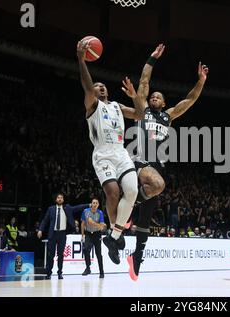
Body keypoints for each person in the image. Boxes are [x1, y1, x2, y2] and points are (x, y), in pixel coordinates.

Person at [121, 44, 209, 281]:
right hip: (139, 160)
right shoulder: (143, 111)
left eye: (158, 97)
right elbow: (144, 82)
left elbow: (189, 100)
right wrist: (152, 58)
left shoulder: (169, 116)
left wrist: (200, 81)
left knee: (145, 221)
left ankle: (136, 259)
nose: (154, 97)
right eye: (152, 96)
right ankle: (128, 205)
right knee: (159, 186)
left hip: (157, 166)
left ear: (164, 101)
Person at [77, 39, 143, 265]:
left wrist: (134, 96)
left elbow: (140, 114)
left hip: (121, 153)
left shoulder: (116, 106)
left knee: (132, 190)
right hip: (103, 154)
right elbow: (87, 86)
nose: (100, 87)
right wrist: (81, 59)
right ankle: (117, 233)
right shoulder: (93, 106)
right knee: (114, 193)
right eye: (97, 86)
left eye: (102, 85)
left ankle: (114, 237)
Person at [37, 193, 90, 279]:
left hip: (62, 234)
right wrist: (40, 230)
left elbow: (77, 207)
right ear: (56, 200)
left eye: (61, 198)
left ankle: (59, 273)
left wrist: (88, 205)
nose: (60, 199)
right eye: (58, 198)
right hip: (52, 234)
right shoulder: (51, 209)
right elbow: (45, 220)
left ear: (63, 200)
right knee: (51, 255)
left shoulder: (67, 208)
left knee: (61, 255)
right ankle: (48, 273)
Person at [81, 198, 105, 278]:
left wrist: (93, 223)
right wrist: (82, 235)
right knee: (85, 249)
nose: (94, 204)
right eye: (93, 203)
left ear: (98, 205)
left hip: (97, 234)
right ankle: (88, 268)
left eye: (96, 203)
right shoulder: (85, 211)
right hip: (88, 234)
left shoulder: (100, 213)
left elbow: (102, 227)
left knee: (98, 254)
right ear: (91, 204)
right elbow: (83, 223)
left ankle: (101, 272)